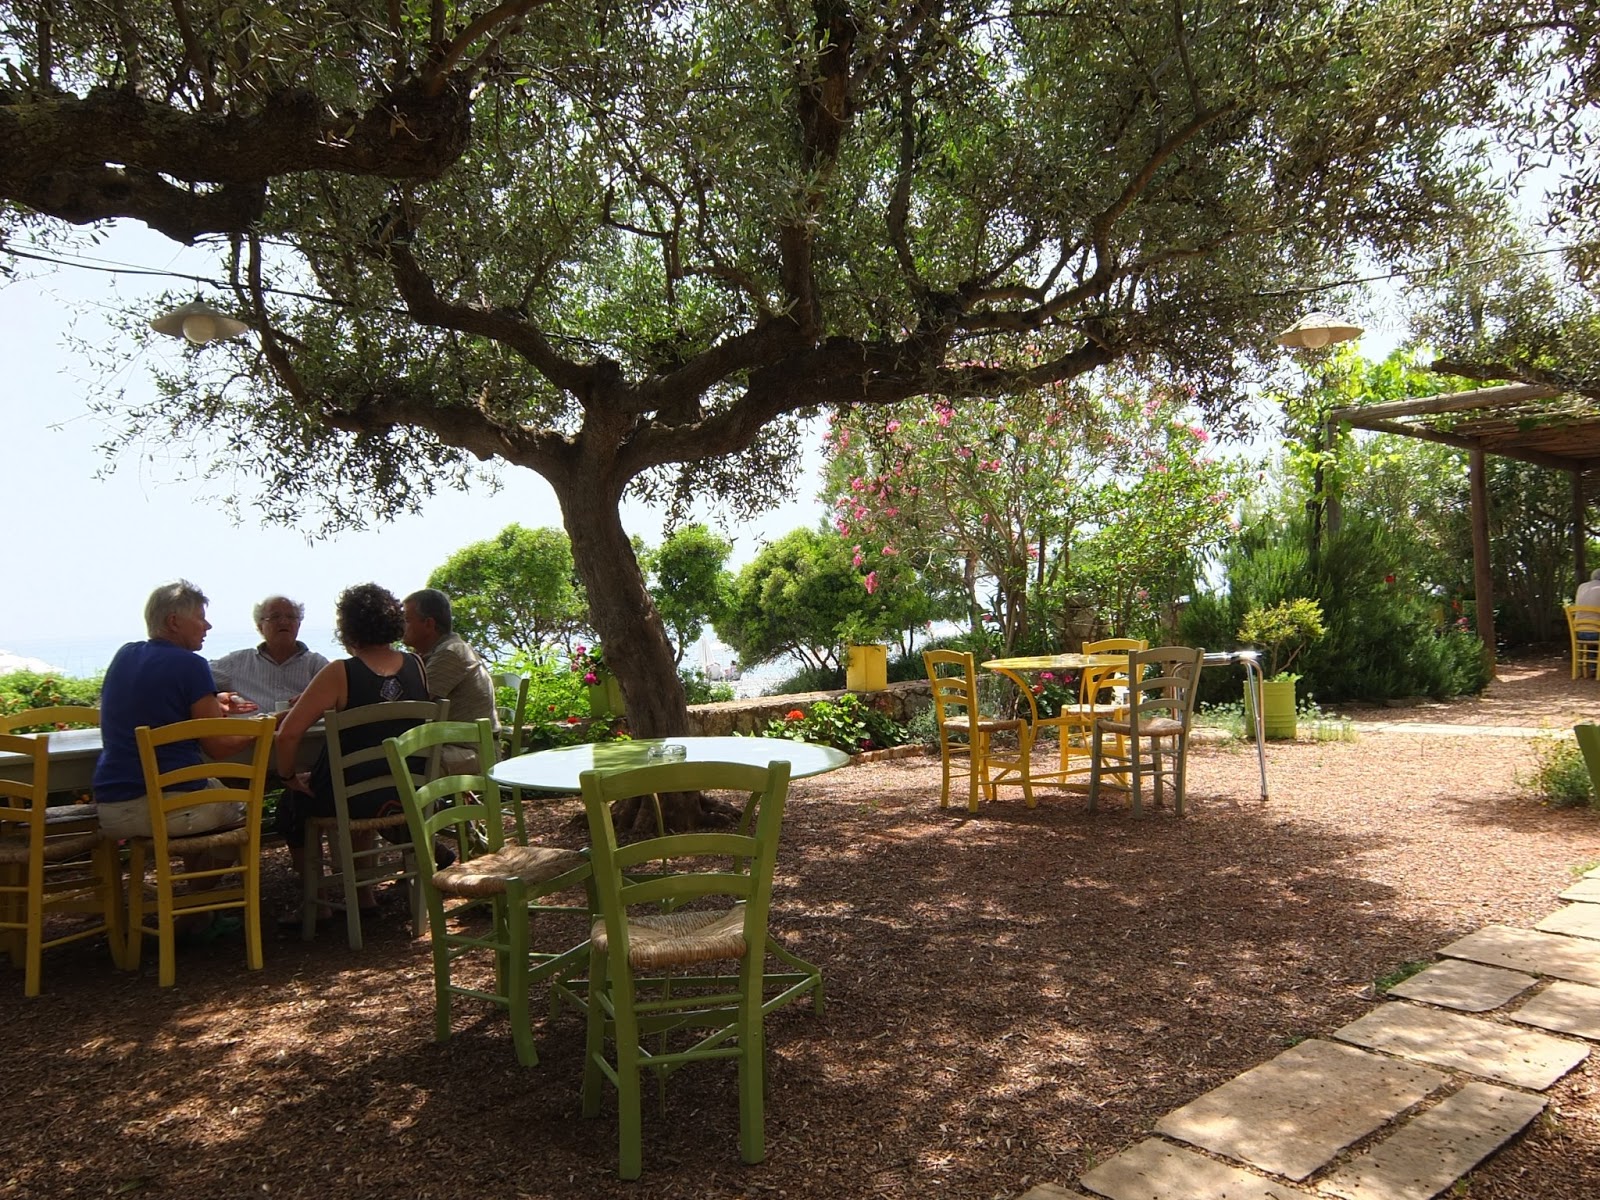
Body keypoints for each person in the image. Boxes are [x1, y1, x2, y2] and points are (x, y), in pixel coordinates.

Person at [94, 580, 262, 938]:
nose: (207, 625)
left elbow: (159, 704)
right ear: (174, 622)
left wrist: (214, 704)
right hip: (166, 808)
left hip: (113, 807)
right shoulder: (191, 664)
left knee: (205, 791)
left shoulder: (125, 655)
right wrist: (265, 729)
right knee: (245, 812)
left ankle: (198, 913)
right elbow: (218, 746)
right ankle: (193, 908)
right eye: (200, 617)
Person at [274, 583, 436, 920]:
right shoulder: (417, 665)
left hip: (353, 798)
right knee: (359, 782)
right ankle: (364, 896)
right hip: (405, 789)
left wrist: (289, 777)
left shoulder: (340, 672)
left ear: (348, 626)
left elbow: (288, 735)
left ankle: (317, 902)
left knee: (292, 804)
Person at [402, 588, 500, 772]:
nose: (401, 626)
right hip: (454, 745)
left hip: (473, 750)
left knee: (397, 764)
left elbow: (413, 706)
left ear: (429, 624)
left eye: (407, 620)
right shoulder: (437, 652)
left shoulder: (450, 653)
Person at [210, 595, 330, 711]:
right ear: (260, 626)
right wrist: (216, 700)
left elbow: (337, 694)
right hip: (253, 725)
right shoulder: (237, 662)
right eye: (275, 617)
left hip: (305, 725)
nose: (284, 622)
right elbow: (200, 677)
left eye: (291, 617)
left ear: (298, 624)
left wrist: (317, 698)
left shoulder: (316, 664)